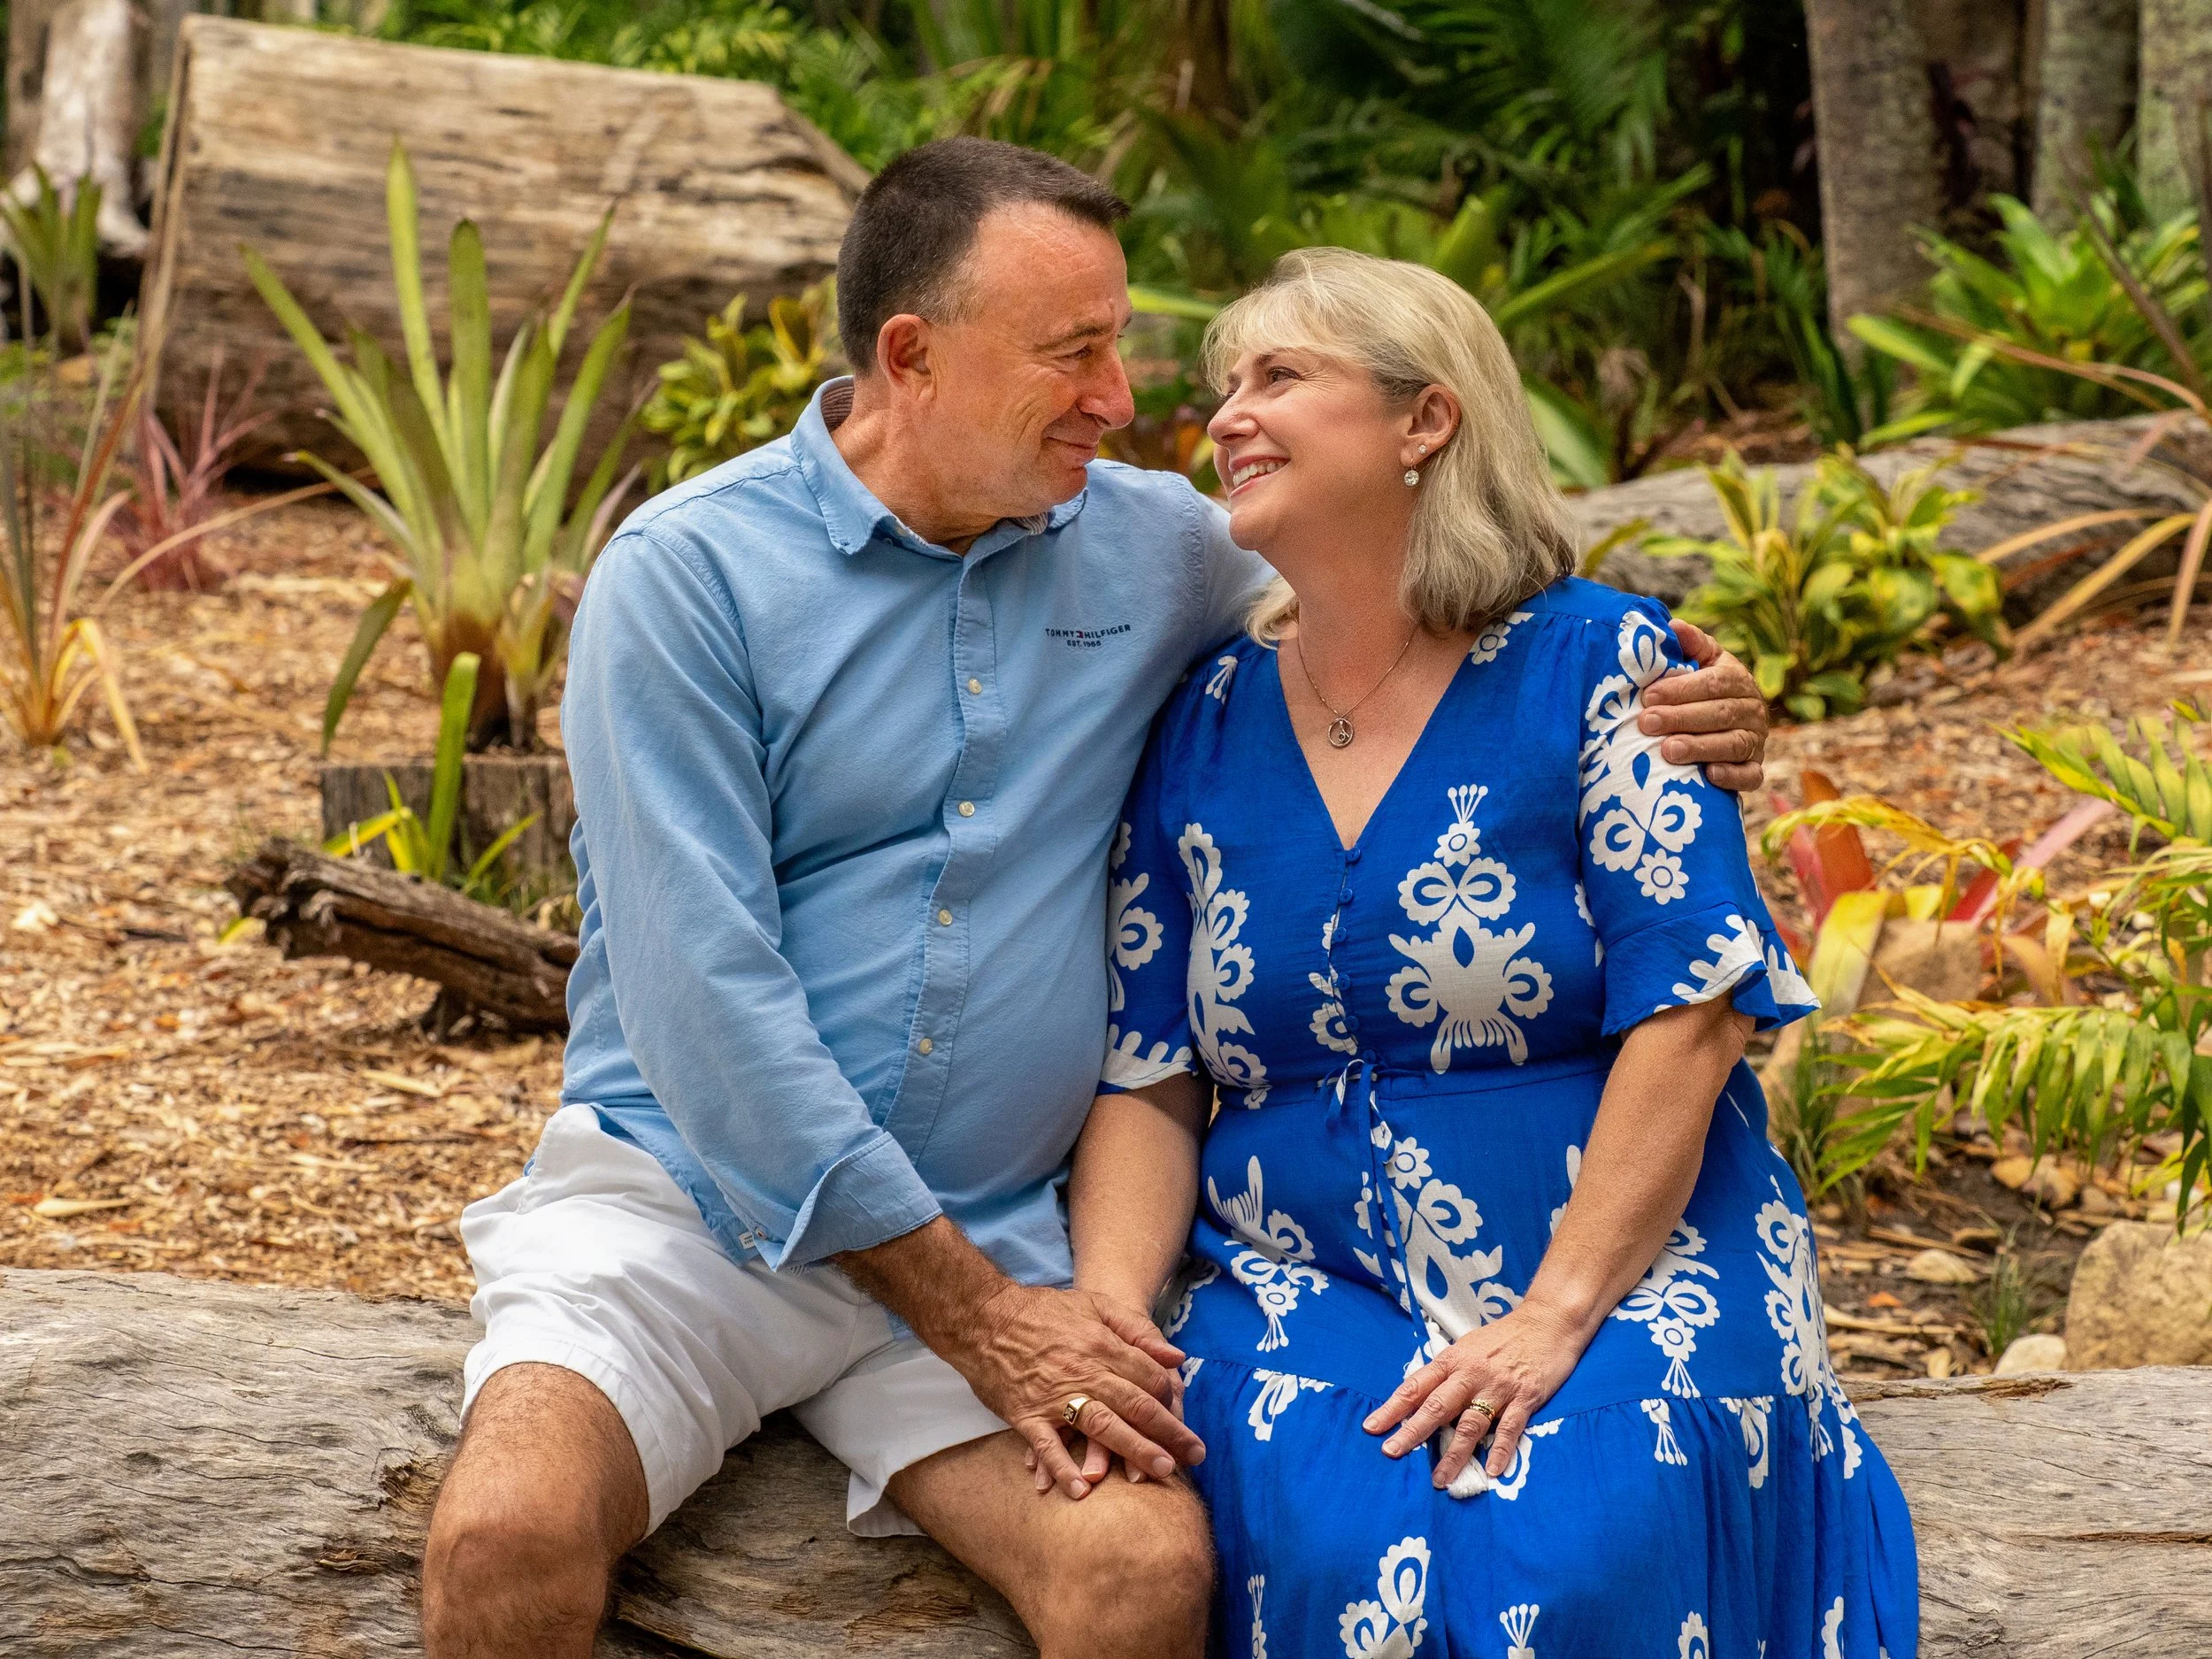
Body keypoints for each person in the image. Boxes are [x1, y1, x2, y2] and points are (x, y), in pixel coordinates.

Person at [420, 139, 1775, 1658]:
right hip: (695, 1215)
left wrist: (1684, 690)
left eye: (1118, 343)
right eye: (1073, 352)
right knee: (507, 1532)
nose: (1124, 398)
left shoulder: (1161, 545)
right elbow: (704, 1003)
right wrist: (980, 1318)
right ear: (911, 356)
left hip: (999, 1231)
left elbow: (1438, 585)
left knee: (1138, 1571)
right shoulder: (688, 578)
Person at [1069, 245, 1917, 1656]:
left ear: (1426, 420)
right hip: (1308, 1276)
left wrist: (1554, 1310)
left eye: (1279, 376)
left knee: (1588, 1522)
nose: (1224, 415)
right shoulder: (1204, 718)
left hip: (1635, 1255)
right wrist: (1107, 1313)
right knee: (1327, 1525)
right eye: (1225, 385)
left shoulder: (1604, 668)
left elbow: (1696, 1010)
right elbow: (1150, 1074)